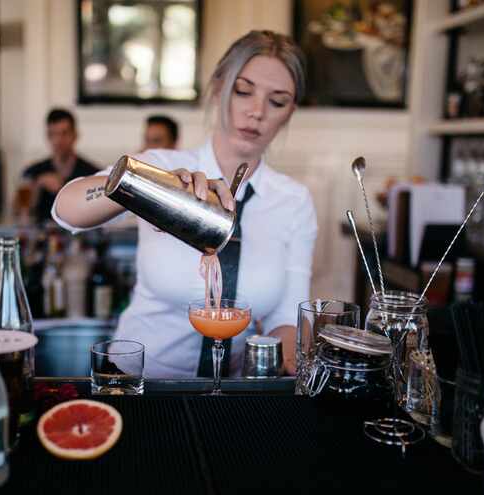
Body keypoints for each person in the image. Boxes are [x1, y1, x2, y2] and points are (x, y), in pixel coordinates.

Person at [52, 30, 317, 379]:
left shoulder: (294, 201)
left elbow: (287, 317)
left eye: (277, 101)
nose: (257, 111)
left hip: (231, 392)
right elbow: (66, 209)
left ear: (290, 112)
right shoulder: (161, 165)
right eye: (243, 91)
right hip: (136, 380)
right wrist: (148, 187)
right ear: (218, 88)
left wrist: (288, 360)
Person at [19, 109, 99, 223]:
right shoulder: (32, 172)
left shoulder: (92, 174)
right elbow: (19, 213)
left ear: (75, 135)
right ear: (47, 136)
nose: (58, 140)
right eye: (53, 134)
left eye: (64, 133)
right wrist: (38, 184)